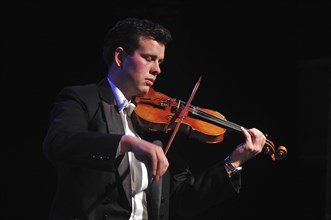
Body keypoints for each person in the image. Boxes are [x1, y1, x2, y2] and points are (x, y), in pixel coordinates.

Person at [43, 17, 267, 220]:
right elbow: (58, 144)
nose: (157, 70)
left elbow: (181, 201)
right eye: (149, 58)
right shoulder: (83, 98)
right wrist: (126, 143)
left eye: (160, 61)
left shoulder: (154, 128)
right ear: (120, 56)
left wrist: (234, 162)